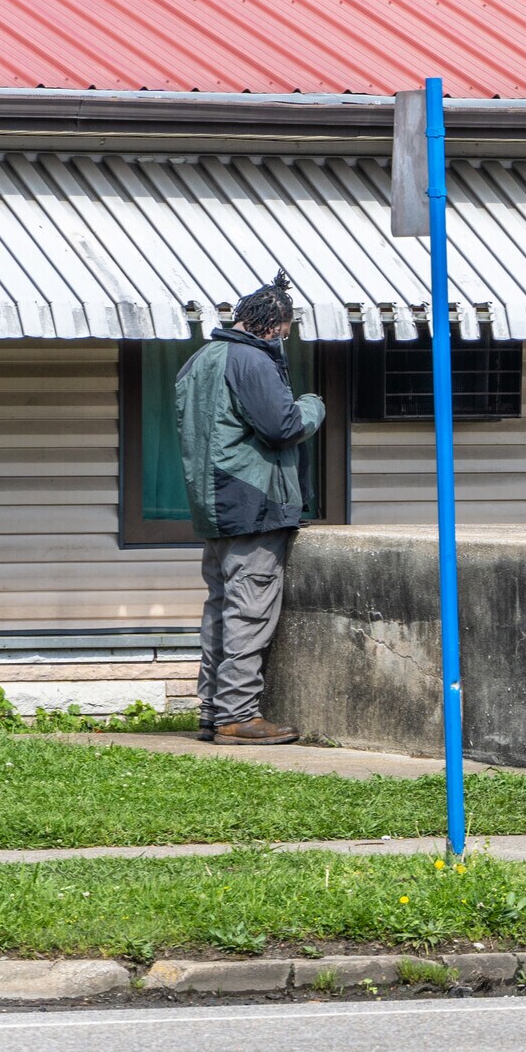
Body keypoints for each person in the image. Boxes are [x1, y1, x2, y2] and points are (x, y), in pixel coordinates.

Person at [175, 272, 325, 745]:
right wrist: (312, 405)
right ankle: (238, 716)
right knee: (249, 610)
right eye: (285, 332)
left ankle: (211, 712)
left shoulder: (199, 360)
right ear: (273, 326)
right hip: (254, 503)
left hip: (214, 504)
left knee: (219, 609)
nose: (285, 340)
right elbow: (282, 427)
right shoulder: (252, 361)